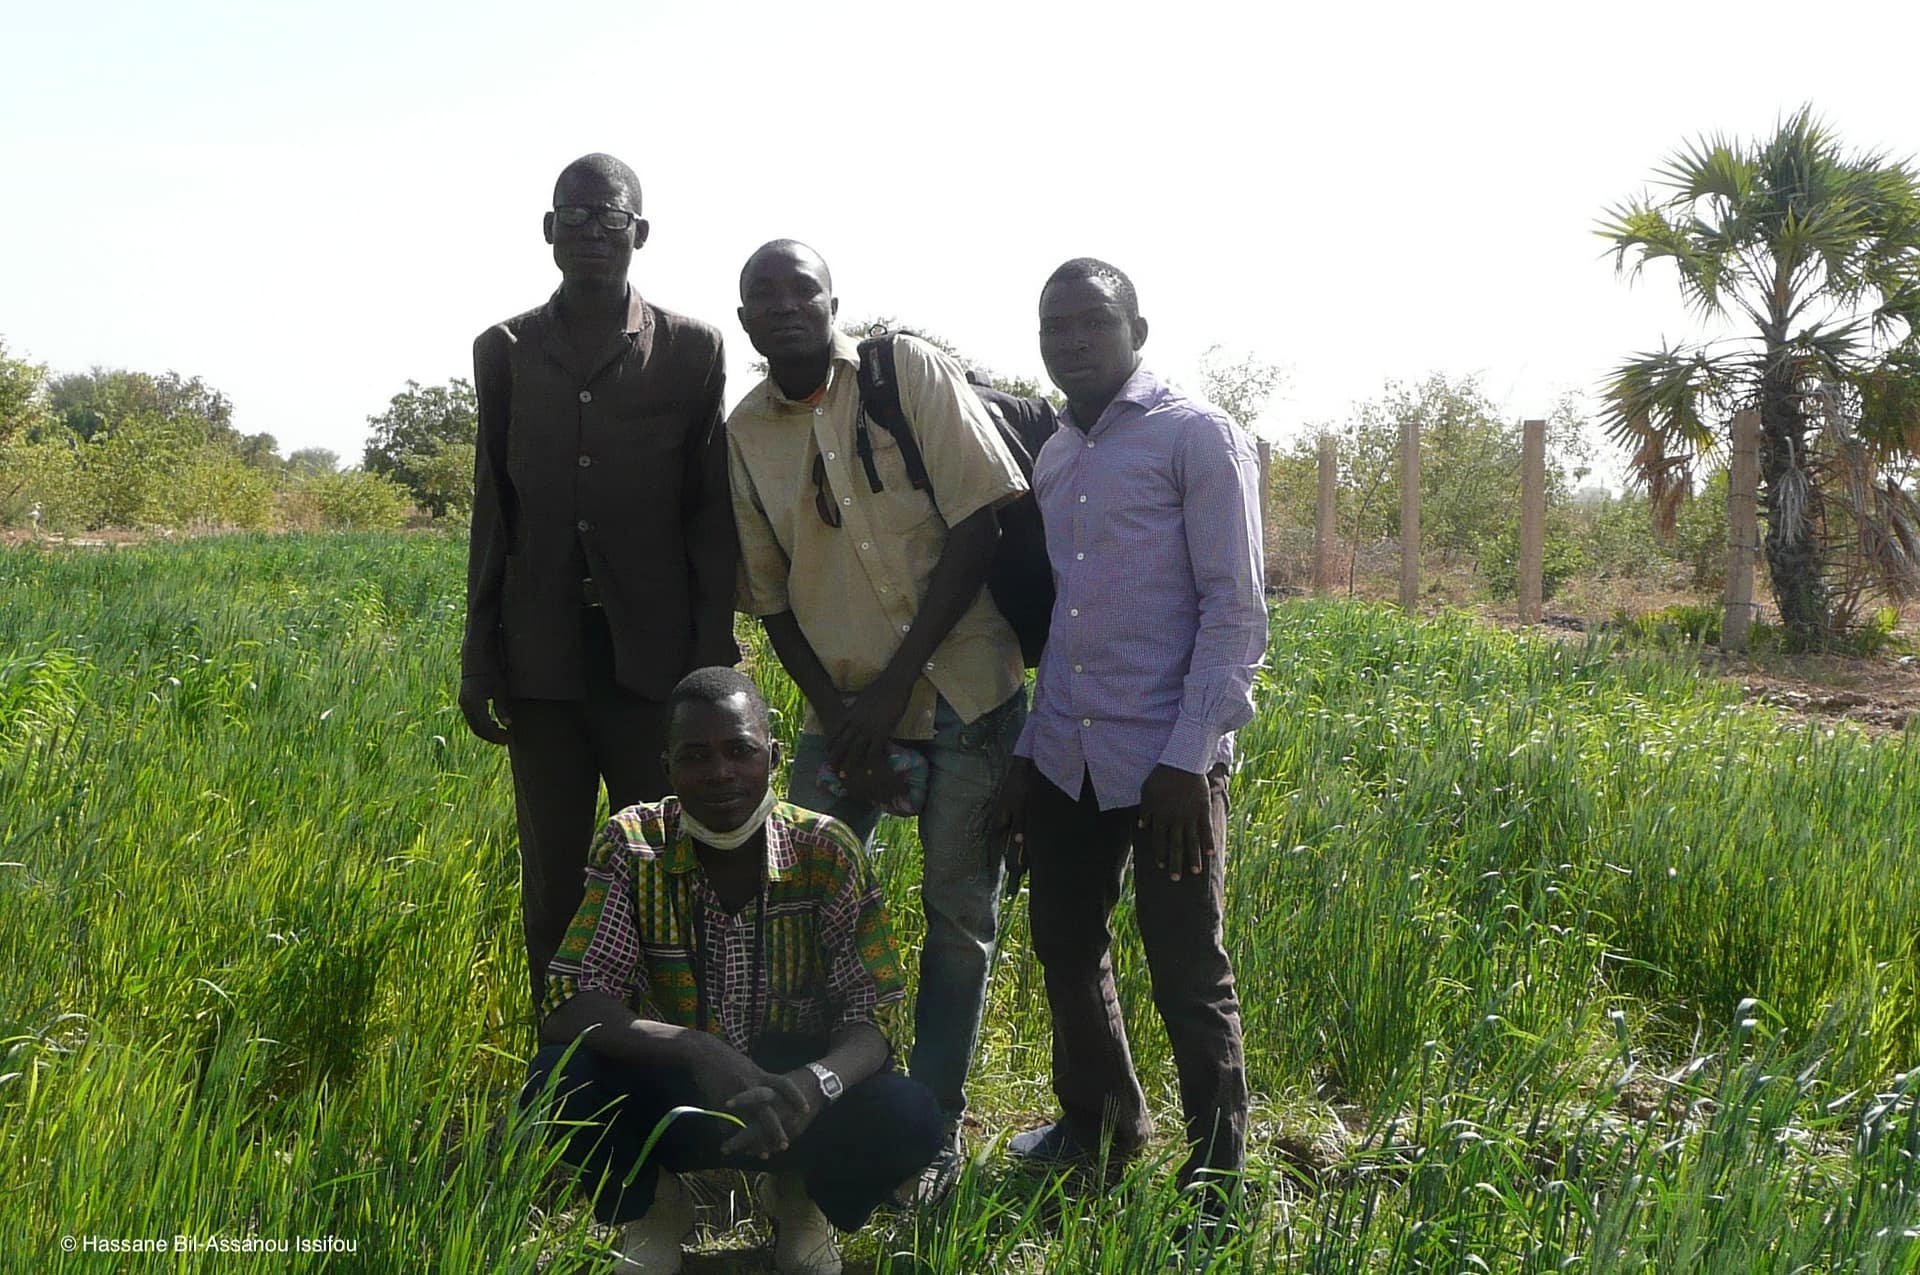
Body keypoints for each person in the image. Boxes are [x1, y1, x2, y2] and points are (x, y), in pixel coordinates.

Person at [725, 240, 1029, 1198]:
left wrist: (892, 691)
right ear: (745, 321)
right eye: (763, 296)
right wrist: (839, 714)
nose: (784, 306)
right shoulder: (745, 433)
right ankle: (804, 1113)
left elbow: (982, 523)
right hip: (845, 714)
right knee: (793, 908)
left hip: (967, 696)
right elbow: (770, 599)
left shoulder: (906, 373)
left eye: (801, 290)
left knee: (958, 918)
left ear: (832, 303)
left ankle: (929, 1127)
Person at [995, 258, 1268, 1204]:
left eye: (1093, 321)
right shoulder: (1055, 456)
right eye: (1054, 325)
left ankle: (1218, 1174)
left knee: (1187, 964)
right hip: (1069, 751)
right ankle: (1100, 1125)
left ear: (1137, 331)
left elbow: (1235, 611)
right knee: (1065, 942)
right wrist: (1028, 752)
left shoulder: (1198, 436)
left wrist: (1189, 759)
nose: (1071, 340)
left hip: (1168, 761)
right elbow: (1068, 622)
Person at [527, 667, 942, 1275]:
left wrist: (813, 1085)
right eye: (695, 756)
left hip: (797, 1102)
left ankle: (802, 1199)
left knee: (911, 1116)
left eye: (740, 751)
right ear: (667, 767)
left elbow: (874, 1015)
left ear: (772, 757)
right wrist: (695, 1050)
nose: (720, 773)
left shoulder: (826, 850)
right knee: (558, 1078)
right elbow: (570, 997)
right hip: (677, 1097)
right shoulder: (633, 843)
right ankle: (652, 1208)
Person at [460, 153, 738, 1011]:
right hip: (540, 657)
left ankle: (674, 1055)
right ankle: (565, 1057)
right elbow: (494, 511)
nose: (590, 233)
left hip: (654, 663)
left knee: (664, 866)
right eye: (573, 217)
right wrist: (478, 653)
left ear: (639, 233)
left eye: (608, 218)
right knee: (553, 880)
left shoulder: (691, 350)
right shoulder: (505, 350)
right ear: (549, 231)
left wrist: (710, 662)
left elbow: (709, 515)